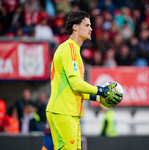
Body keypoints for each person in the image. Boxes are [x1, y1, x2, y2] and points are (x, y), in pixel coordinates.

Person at [46, 11, 122, 150]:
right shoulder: (69, 49)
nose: (91, 29)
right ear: (75, 27)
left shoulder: (74, 50)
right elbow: (76, 84)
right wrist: (101, 90)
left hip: (69, 113)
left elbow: (75, 89)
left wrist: (99, 98)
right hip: (63, 112)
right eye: (87, 25)